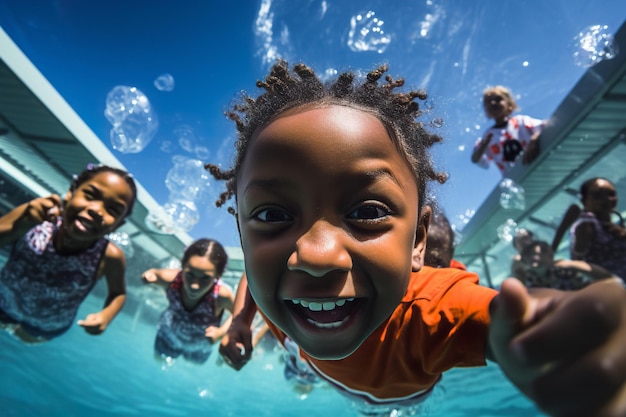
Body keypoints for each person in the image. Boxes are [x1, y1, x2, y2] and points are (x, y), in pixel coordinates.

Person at [206, 60, 626, 416]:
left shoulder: (429, 314)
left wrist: (553, 334)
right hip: (321, 371)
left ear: (419, 240)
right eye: (272, 215)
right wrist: (242, 319)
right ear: (243, 237)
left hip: (401, 401)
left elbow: (498, 318)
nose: (316, 256)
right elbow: (250, 279)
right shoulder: (276, 289)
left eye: (368, 213)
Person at [0, 164, 136, 343]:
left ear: (118, 224)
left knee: (27, 339)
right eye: (90, 195)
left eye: (113, 210)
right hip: (3, 303)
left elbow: (118, 293)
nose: (97, 210)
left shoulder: (110, 256)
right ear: (71, 192)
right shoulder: (34, 217)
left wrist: (106, 316)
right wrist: (24, 223)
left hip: (47, 325)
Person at [141, 238, 234, 364]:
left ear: (218, 275)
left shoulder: (220, 295)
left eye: (205, 278)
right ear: (183, 265)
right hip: (168, 335)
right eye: (190, 275)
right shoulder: (170, 279)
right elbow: (153, 273)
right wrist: (147, 277)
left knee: (193, 365)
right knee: (159, 359)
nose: (194, 285)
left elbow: (238, 315)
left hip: (199, 345)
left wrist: (221, 332)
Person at [471, 85, 545, 176]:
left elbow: (545, 126)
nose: (493, 103)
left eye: (498, 99)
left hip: (538, 166)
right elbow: (475, 159)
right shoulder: (487, 136)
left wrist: (534, 139)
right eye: (488, 102)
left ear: (510, 105)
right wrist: (483, 146)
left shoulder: (521, 121)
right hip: (516, 179)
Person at [567, 177, 626, 283]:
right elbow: (578, 257)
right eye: (598, 195)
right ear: (584, 201)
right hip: (607, 292)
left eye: (611, 194)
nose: (607, 199)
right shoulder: (587, 224)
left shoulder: (614, 226)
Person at [514, 239, 616, 290]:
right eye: (528, 254)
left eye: (542, 251)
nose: (534, 256)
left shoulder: (565, 269)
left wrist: (574, 265)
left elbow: (606, 277)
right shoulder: (527, 281)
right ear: (524, 261)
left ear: (551, 256)